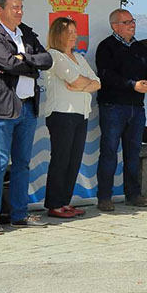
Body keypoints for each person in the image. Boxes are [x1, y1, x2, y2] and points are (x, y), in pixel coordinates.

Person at [0, 0, 53, 234]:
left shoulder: (27, 32)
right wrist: (30, 64)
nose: (19, 11)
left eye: (21, 6)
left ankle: (20, 214)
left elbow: (47, 59)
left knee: (22, 163)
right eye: (14, 7)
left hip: (28, 106)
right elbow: (7, 63)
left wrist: (25, 59)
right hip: (2, 107)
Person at [95, 9, 147, 211]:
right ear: (115, 26)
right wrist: (133, 85)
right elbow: (106, 76)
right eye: (127, 22)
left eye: (133, 20)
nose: (132, 24)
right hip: (113, 107)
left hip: (136, 108)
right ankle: (105, 197)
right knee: (110, 152)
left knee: (133, 152)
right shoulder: (106, 47)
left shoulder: (139, 47)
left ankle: (134, 194)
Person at [41, 17, 100, 219]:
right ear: (59, 34)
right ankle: (54, 204)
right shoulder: (54, 56)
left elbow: (97, 82)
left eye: (76, 31)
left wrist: (82, 85)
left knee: (74, 160)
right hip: (61, 114)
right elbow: (74, 79)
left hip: (80, 114)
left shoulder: (79, 58)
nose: (75, 35)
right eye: (71, 32)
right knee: (61, 159)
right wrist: (83, 84)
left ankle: (65, 201)